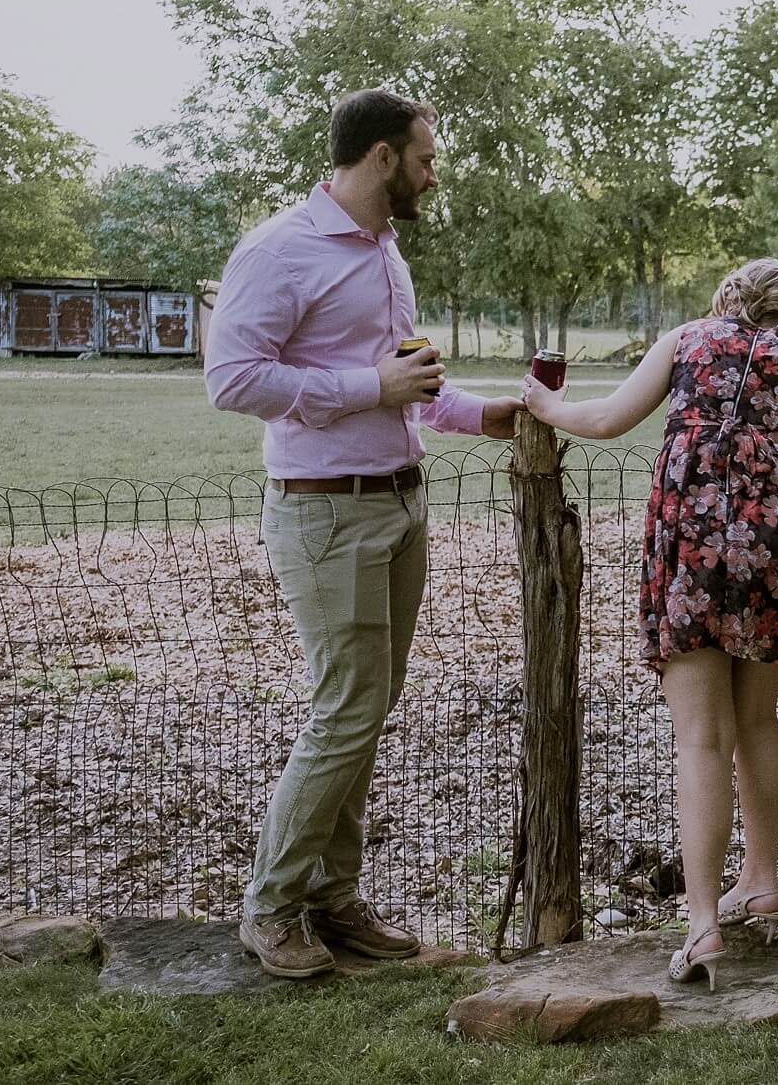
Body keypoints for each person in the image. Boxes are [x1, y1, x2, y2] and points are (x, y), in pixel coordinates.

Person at [521, 258, 778, 990]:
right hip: (772, 542)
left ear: (727, 302)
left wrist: (544, 407)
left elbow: (609, 418)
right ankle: (762, 877)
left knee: (701, 737)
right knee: (756, 722)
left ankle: (705, 921)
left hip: (691, 543)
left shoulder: (685, 340)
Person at [206, 88, 523, 978]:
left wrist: (482, 413)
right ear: (382, 155)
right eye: (426, 157)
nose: (433, 173)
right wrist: (366, 388)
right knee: (345, 708)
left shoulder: (385, 251)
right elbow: (232, 379)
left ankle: (334, 899)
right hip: (324, 508)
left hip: (399, 499)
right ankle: (270, 907)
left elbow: (406, 382)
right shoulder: (280, 248)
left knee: (365, 710)